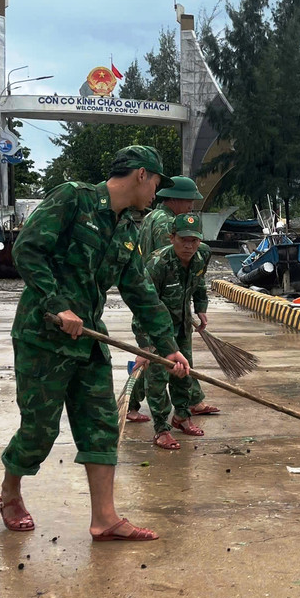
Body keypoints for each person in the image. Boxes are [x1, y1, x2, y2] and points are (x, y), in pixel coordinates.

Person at [0, 144, 191, 542]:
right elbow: (28, 250)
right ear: (141, 174)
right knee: (39, 430)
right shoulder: (73, 198)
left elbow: (140, 291)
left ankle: (104, 518)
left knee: (101, 425)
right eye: (156, 181)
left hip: (88, 341)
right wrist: (58, 305)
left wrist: (169, 346)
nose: (157, 192)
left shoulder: (127, 229)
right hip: (42, 336)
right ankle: (10, 492)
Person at [126, 175, 207, 423]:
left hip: (154, 298)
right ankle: (185, 405)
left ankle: (132, 403)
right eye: (189, 201)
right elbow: (175, 263)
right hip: (160, 300)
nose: (191, 206)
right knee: (164, 361)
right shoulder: (168, 224)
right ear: (176, 199)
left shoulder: (150, 216)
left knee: (150, 358)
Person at [134, 212, 216, 447]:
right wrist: (145, 343)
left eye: (194, 240)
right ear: (172, 238)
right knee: (158, 377)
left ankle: (182, 416)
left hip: (182, 325)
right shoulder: (157, 264)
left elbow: (199, 281)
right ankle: (161, 428)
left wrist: (200, 307)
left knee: (184, 371)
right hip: (157, 329)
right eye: (183, 240)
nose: (189, 246)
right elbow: (142, 305)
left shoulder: (202, 256)